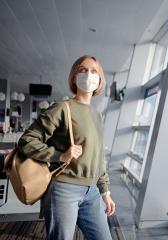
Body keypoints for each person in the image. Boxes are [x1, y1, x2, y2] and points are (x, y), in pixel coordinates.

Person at [18, 55, 116, 240]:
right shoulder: (62, 108)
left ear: (100, 79)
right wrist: (58, 155)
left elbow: (97, 156)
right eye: (83, 70)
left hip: (92, 191)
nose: (89, 74)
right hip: (64, 188)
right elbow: (27, 140)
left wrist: (105, 191)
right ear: (74, 77)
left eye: (94, 71)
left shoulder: (97, 115)